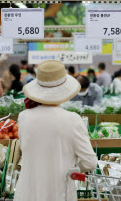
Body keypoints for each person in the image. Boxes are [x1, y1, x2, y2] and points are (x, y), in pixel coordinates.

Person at [15, 60, 97, 201]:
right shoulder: (73, 120)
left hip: (27, 193)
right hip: (59, 194)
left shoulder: (23, 117)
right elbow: (89, 162)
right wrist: (72, 169)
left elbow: (25, 149)